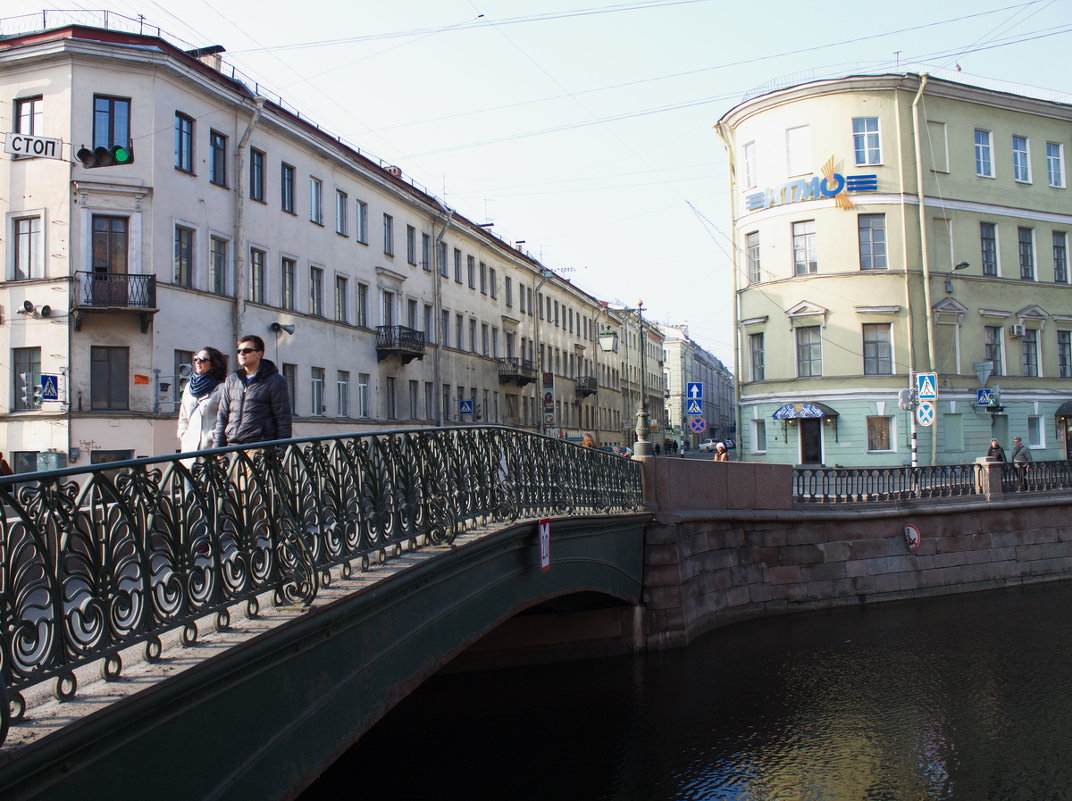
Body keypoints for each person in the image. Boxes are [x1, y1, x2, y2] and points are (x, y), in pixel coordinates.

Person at [213, 334, 292, 447]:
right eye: (239, 351)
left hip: (260, 447)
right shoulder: (232, 380)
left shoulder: (275, 380)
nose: (241, 354)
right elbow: (222, 415)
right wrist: (217, 447)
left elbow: (283, 418)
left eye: (247, 350)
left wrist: (282, 449)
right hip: (233, 447)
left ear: (259, 354)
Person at [177, 346, 227, 452]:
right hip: (189, 450)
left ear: (213, 364)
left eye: (203, 360)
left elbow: (226, 419)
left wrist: (213, 437)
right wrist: (183, 434)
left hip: (211, 450)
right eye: (196, 359)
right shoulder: (189, 387)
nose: (198, 362)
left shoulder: (221, 388)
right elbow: (183, 417)